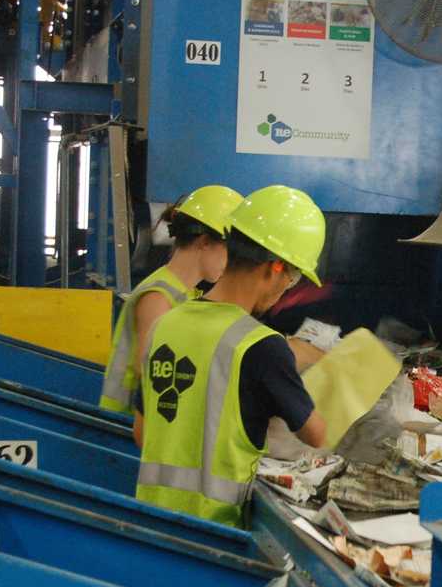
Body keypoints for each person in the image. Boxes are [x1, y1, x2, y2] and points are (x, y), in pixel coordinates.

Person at [134, 185, 329, 526]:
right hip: (216, 530)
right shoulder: (262, 345)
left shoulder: (166, 324)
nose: (287, 289)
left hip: (150, 521)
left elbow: (142, 432)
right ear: (275, 268)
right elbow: (316, 435)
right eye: (294, 277)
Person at [100, 186, 244, 414]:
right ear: (205, 242)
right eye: (230, 252)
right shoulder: (159, 297)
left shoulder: (186, 294)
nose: (230, 263)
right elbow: (149, 371)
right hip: (123, 424)